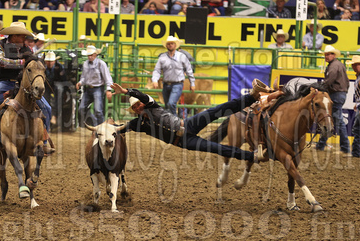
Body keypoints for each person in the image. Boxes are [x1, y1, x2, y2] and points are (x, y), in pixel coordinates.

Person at [110, 79, 274, 162]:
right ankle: (252, 156)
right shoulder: (138, 123)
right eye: (135, 107)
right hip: (183, 141)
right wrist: (108, 128)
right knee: (215, 148)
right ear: (133, 110)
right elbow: (119, 128)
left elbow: (141, 94)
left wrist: (126, 91)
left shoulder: (152, 106)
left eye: (138, 104)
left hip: (187, 124)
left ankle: (252, 96)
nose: (138, 107)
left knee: (216, 110)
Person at [0, 22, 52, 141]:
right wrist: (23, 62)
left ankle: (43, 142)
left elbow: (32, 66)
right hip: (5, 83)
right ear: (14, 35)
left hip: (24, 85)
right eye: (22, 35)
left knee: (47, 108)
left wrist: (34, 62)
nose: (24, 38)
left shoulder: (28, 48)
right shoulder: (0, 45)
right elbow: (1, 61)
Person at [315, 45, 351, 155]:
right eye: (325, 54)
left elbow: (328, 82)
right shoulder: (339, 65)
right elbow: (347, 82)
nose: (326, 56)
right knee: (332, 120)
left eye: (328, 54)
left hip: (336, 94)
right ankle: (321, 144)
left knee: (337, 120)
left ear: (333, 55)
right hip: (340, 94)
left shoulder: (333, 66)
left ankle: (344, 147)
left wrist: (319, 88)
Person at [151, 36, 195, 115]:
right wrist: (155, 80)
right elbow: (157, 70)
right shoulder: (162, 57)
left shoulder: (182, 56)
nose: (170, 45)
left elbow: (189, 69)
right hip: (166, 84)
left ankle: (174, 123)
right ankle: (170, 124)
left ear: (175, 45)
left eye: (172, 43)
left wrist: (192, 83)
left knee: (171, 104)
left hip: (177, 84)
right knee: (167, 106)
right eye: (169, 44)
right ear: (166, 46)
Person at [76, 45, 113, 126]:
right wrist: (80, 82)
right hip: (88, 89)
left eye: (91, 55)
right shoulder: (85, 64)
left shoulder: (101, 64)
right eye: (88, 55)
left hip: (98, 88)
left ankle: (101, 127)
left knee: (98, 110)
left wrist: (108, 89)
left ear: (95, 55)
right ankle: (93, 123)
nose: (89, 57)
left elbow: (107, 77)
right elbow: (84, 77)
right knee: (81, 108)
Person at [44, 51, 67, 127]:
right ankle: (47, 115)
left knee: (59, 91)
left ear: (54, 61)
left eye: (51, 61)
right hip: (47, 86)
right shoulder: (43, 68)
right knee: (44, 96)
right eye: (48, 61)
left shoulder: (59, 67)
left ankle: (54, 115)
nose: (50, 63)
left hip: (57, 86)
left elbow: (63, 79)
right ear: (46, 61)